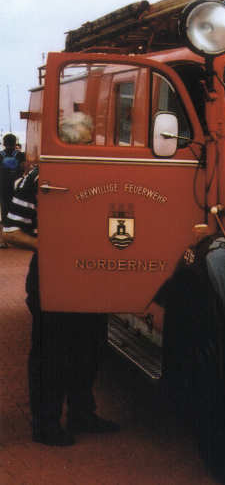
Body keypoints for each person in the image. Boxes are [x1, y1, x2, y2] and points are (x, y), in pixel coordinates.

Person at [2, 113, 118, 446]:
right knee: (50, 353)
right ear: (65, 141)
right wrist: (53, 247)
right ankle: (46, 424)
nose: (87, 147)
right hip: (52, 275)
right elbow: (11, 232)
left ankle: (82, 414)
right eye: (82, 141)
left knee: (90, 347)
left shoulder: (100, 176)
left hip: (92, 276)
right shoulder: (38, 178)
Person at [0, 133, 25, 247]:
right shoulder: (20, 155)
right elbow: (25, 167)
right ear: (15, 143)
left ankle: (4, 240)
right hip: (17, 186)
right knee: (17, 211)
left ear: (4, 143)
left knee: (5, 211)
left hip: (3, 186)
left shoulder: (0, 155)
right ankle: (18, 239)